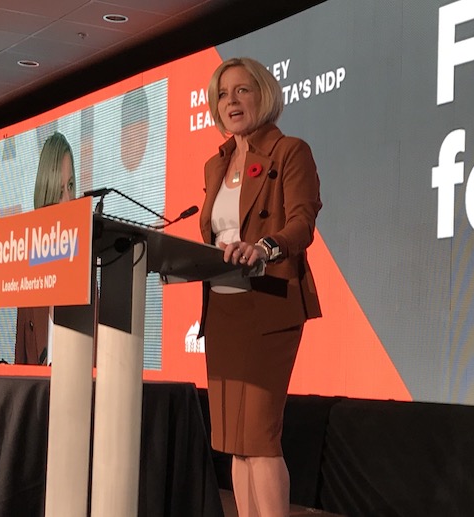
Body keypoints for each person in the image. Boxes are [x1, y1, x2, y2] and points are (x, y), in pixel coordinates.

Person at [199, 57, 322, 517]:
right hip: (223, 309)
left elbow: (302, 222)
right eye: (223, 94)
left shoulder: (291, 151)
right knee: (235, 442)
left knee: (261, 438)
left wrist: (265, 247)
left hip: (269, 304)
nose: (231, 101)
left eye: (242, 91)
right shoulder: (217, 165)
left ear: (263, 94)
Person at [16, 131, 76, 365]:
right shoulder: (28, 264)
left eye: (71, 185)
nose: (68, 199)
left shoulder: (84, 267)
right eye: (59, 191)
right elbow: (21, 354)